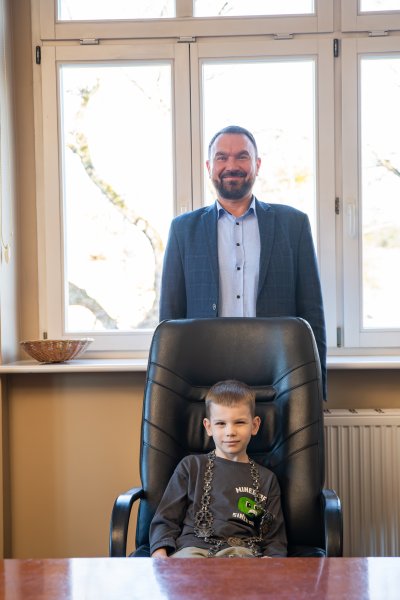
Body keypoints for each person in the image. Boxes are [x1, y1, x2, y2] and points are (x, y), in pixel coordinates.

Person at [159, 125, 327, 398]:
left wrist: (316, 389)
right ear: (209, 167)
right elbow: (169, 320)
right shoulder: (183, 230)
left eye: (242, 156)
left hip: (280, 378)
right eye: (222, 157)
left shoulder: (294, 225)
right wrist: (169, 393)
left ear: (257, 165)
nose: (231, 165)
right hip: (204, 380)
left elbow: (313, 315)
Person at [149, 379, 287, 558]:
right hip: (192, 551)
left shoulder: (267, 479)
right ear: (208, 427)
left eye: (239, 422)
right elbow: (166, 520)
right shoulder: (190, 467)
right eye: (221, 423)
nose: (230, 432)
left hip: (242, 553)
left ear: (254, 426)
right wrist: (159, 555)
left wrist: (272, 561)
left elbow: (275, 538)